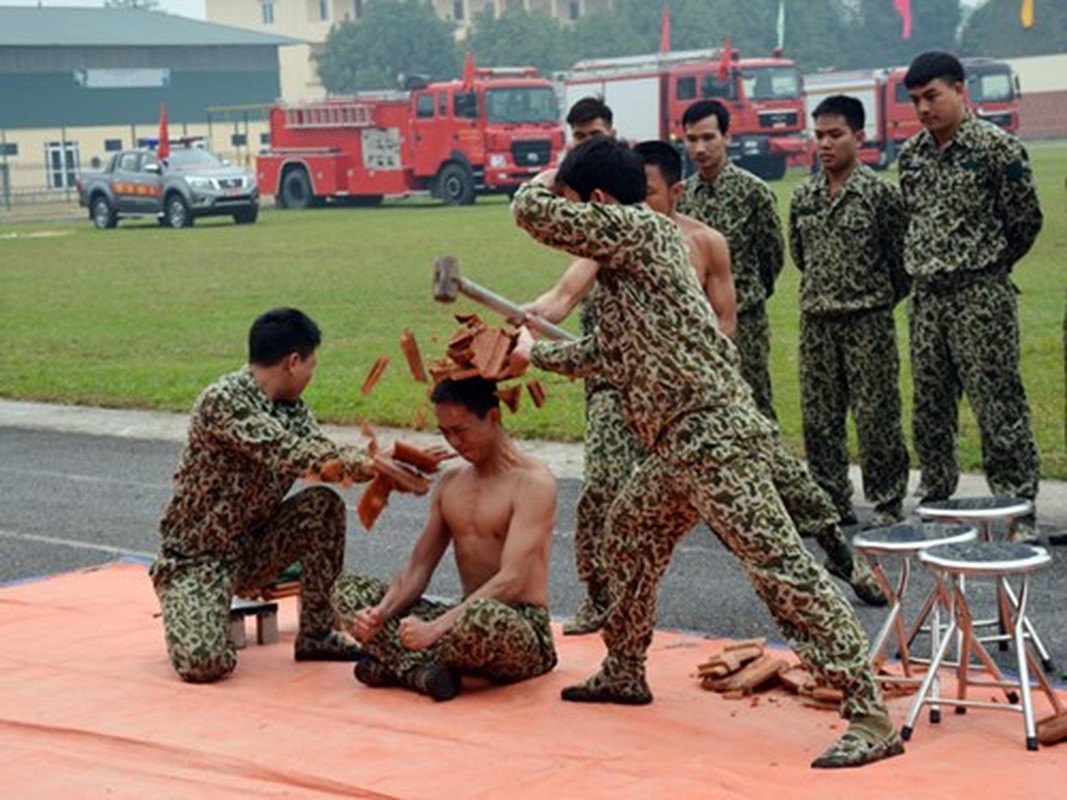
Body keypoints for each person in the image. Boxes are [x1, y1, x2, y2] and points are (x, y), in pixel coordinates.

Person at [510, 137, 902, 769]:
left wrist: (549, 173)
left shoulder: (638, 230)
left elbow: (532, 213)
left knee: (782, 574)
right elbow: (609, 356)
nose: (571, 222)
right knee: (629, 536)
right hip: (676, 443)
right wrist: (532, 357)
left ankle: (869, 712)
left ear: (601, 204)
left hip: (714, 436)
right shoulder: (624, 266)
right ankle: (626, 669)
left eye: (576, 208)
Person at [528, 141, 882, 628]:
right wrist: (527, 329)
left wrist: (679, 357)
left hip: (698, 397)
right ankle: (601, 597)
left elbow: (725, 322)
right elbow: (561, 300)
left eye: (648, 193)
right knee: (607, 490)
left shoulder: (699, 241)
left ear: (674, 192)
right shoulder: (605, 239)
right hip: (624, 384)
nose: (638, 203)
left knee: (785, 486)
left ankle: (843, 560)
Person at [151, 307, 378, 683]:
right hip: (198, 557)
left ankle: (317, 634)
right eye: (311, 364)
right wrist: (377, 466)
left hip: (252, 549)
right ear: (292, 361)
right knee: (205, 663)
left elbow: (321, 451)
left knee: (322, 507)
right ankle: (191, 599)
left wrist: (378, 466)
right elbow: (293, 452)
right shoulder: (223, 400)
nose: (311, 373)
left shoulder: (294, 411)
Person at [332, 376, 558, 701]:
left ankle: (398, 663)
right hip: (458, 617)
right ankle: (423, 671)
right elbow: (419, 567)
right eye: (445, 433)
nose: (454, 442)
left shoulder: (533, 484)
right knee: (349, 590)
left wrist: (436, 629)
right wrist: (379, 613)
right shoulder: (451, 483)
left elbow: (511, 580)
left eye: (461, 430)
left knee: (480, 620)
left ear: (493, 417)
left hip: (512, 622)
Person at [898, 52, 1043, 539]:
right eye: (916, 100)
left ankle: (1016, 508)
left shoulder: (997, 150)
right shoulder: (912, 156)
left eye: (932, 96)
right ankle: (937, 502)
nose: (923, 109)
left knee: (997, 403)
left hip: (980, 294)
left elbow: (1025, 221)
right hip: (927, 299)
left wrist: (989, 266)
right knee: (930, 407)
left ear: (960, 90)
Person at [789, 95, 911, 530]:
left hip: (867, 320)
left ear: (859, 137)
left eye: (835, 135)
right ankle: (829, 502)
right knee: (820, 419)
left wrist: (873, 299)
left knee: (876, 415)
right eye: (818, 135)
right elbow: (800, 256)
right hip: (818, 320)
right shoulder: (804, 196)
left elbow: (902, 264)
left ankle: (886, 501)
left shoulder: (880, 194)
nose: (824, 144)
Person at [677, 99, 784, 422]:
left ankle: (766, 471)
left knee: (753, 403)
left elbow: (772, 257)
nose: (700, 148)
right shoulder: (682, 195)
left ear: (726, 137)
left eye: (708, 138)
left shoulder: (753, 192)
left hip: (745, 320)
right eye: (692, 139)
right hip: (695, 322)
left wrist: (747, 296)